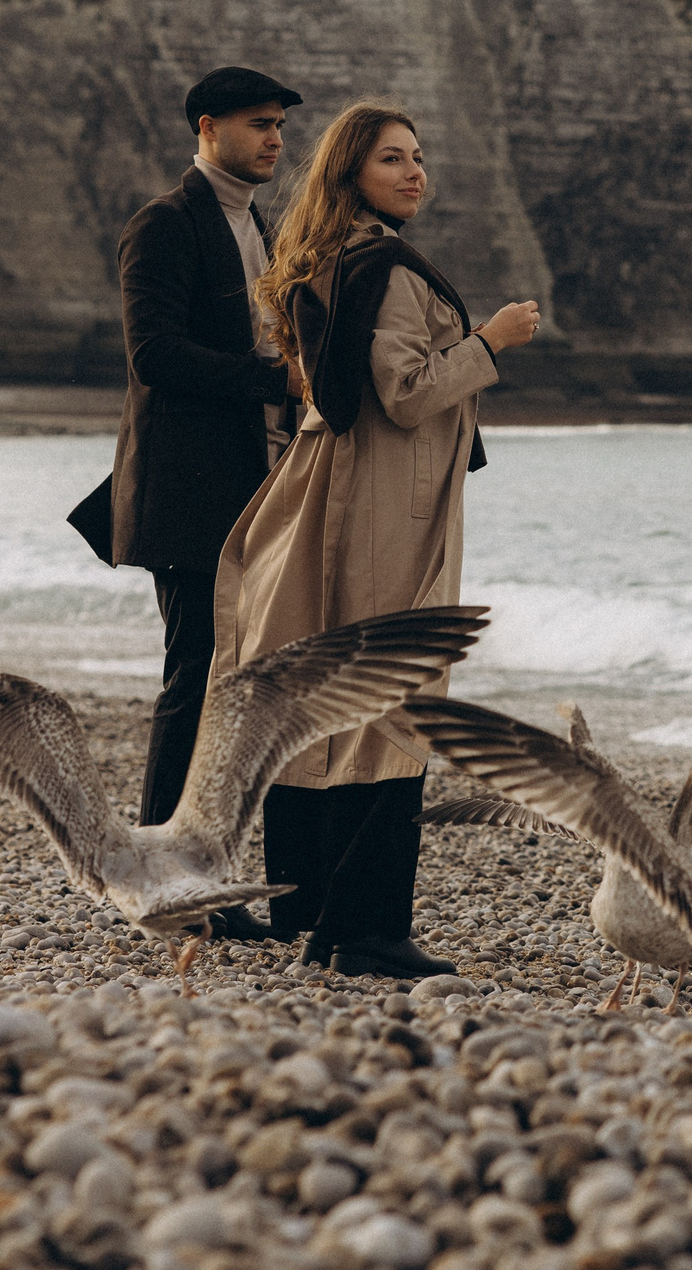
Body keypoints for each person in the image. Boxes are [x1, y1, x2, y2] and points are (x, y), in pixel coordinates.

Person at [213, 100, 540, 978]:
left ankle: (306, 908)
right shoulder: (383, 266)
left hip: (331, 488)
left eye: (419, 156)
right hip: (383, 501)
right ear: (351, 170)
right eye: (393, 157)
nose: (414, 171)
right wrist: (491, 341)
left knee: (320, 691)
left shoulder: (325, 258)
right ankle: (365, 930)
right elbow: (405, 390)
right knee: (393, 693)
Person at [99, 65, 306, 943]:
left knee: (235, 690)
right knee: (194, 683)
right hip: (189, 496)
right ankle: (164, 887)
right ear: (207, 127)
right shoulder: (166, 223)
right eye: (258, 123)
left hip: (259, 489)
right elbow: (153, 355)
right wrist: (273, 378)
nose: (274, 139)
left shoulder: (258, 225)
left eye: (280, 126)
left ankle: (205, 881)